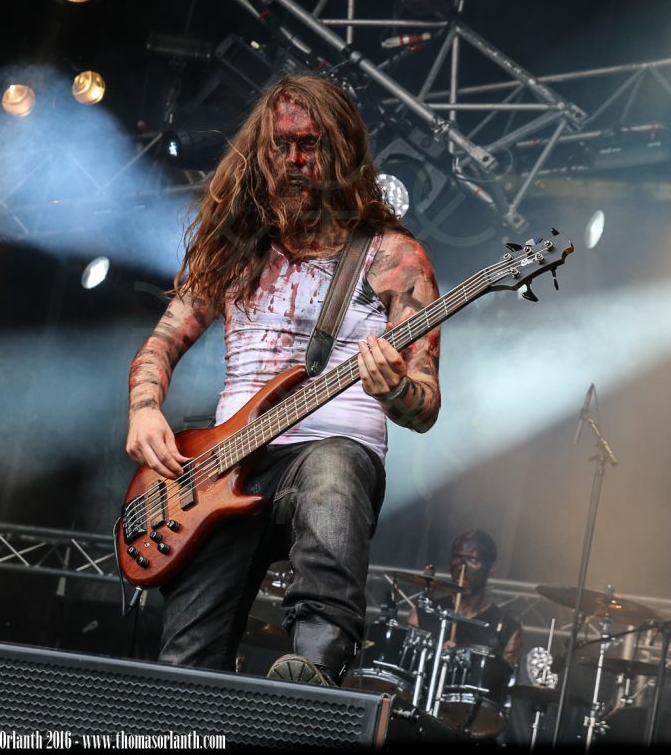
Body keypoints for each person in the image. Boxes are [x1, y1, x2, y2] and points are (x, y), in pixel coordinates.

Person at [125, 73, 441, 687]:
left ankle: (313, 670)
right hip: (224, 465)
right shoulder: (234, 247)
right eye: (280, 145)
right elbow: (160, 344)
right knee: (185, 661)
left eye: (310, 144)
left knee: (332, 473)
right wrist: (144, 411)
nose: (294, 160)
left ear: (342, 150)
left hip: (333, 445)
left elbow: (425, 406)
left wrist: (393, 388)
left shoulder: (393, 256)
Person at [407, 530, 522, 667]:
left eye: (472, 560)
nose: (461, 567)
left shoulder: (507, 628)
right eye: (457, 557)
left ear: (491, 567)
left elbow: (506, 676)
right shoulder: (423, 613)